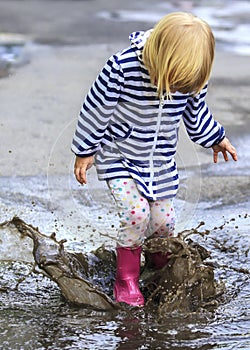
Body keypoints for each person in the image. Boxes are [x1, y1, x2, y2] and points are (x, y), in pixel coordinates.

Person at [71, 12, 238, 307]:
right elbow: (96, 109)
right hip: (119, 154)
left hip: (159, 160)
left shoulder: (192, 72)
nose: (177, 90)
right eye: (173, 83)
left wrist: (216, 138)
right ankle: (126, 278)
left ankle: (159, 267)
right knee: (137, 215)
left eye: (183, 87)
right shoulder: (122, 67)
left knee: (163, 222)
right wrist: (86, 150)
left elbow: (196, 113)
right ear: (160, 58)